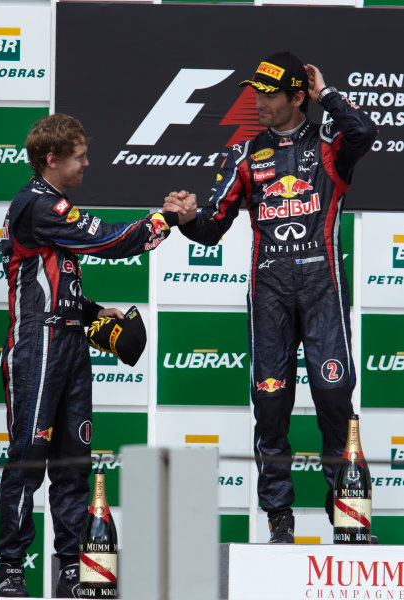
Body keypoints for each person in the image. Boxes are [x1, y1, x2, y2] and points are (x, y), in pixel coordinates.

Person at [164, 52, 377, 543]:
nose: (257, 100)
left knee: (333, 397)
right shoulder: (244, 153)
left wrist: (327, 95)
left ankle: (347, 514)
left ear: (297, 95)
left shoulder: (329, 142)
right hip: (270, 293)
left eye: (269, 92)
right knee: (272, 404)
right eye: (255, 91)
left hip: (323, 288)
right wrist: (186, 218)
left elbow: (364, 132)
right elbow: (213, 227)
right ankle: (278, 518)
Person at [0, 113, 195, 597]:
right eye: (80, 156)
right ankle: (11, 570)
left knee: (73, 462)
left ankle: (70, 568)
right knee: (29, 460)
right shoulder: (37, 205)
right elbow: (108, 239)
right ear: (52, 159)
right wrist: (164, 218)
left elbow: (58, 293)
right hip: (37, 347)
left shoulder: (54, 209)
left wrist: (94, 317)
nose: (88, 163)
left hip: (68, 342)